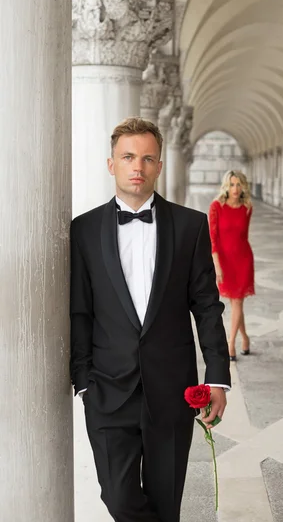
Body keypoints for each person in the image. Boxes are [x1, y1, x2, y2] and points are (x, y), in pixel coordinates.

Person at [70, 117, 230, 522]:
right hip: (107, 391)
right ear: (112, 164)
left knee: (165, 505)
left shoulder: (190, 226)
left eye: (147, 158)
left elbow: (207, 305)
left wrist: (216, 378)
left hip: (172, 390)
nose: (137, 166)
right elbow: (80, 310)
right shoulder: (84, 230)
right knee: (120, 500)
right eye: (127, 157)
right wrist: (83, 380)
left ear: (160, 165)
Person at [208, 170, 255, 362]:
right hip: (224, 261)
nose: (235, 189)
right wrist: (217, 266)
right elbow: (213, 239)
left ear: (243, 186)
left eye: (238, 184)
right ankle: (245, 338)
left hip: (243, 260)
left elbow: (243, 236)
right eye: (231, 185)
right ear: (226, 187)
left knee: (238, 302)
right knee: (236, 303)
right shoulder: (216, 207)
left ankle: (231, 343)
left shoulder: (247, 207)